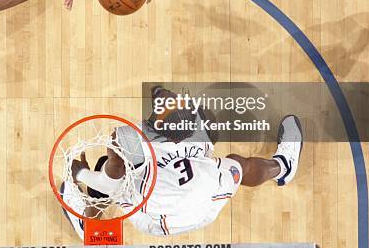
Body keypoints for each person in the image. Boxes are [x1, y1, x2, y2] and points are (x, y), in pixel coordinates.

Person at [59, 86, 303, 238]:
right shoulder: (203, 128)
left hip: (158, 220)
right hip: (205, 207)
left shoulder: (126, 139)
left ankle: (90, 229)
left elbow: (109, 183)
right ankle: (284, 166)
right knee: (240, 164)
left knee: (107, 166)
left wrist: (81, 174)